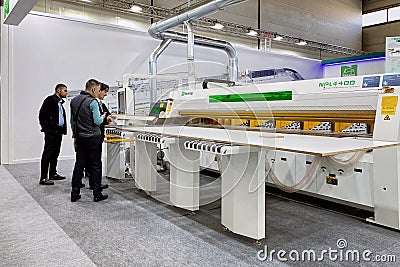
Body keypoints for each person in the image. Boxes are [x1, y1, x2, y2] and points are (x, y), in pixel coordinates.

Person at [70, 79, 112, 202]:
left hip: (80, 137)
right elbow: (98, 121)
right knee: (95, 165)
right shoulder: (92, 102)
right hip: (93, 138)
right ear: (93, 89)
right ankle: (97, 193)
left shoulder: (74, 101)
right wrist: (104, 116)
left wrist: (76, 135)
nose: (99, 92)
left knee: (79, 165)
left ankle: (75, 193)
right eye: (99, 90)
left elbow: (73, 121)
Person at [85, 82, 113, 190]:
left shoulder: (101, 104)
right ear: (97, 90)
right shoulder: (93, 103)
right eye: (105, 92)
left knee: (93, 161)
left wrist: (107, 118)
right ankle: (95, 186)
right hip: (93, 135)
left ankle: (94, 183)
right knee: (94, 162)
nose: (106, 94)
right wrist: (104, 119)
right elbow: (97, 120)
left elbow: (107, 115)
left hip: (95, 135)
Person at [38, 83, 68, 185]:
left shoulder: (59, 103)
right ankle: (43, 177)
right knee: (48, 153)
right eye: (65, 90)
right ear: (58, 90)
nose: (66, 92)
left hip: (58, 131)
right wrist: (45, 127)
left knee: (55, 153)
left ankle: (52, 174)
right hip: (51, 132)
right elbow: (42, 114)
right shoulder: (50, 100)